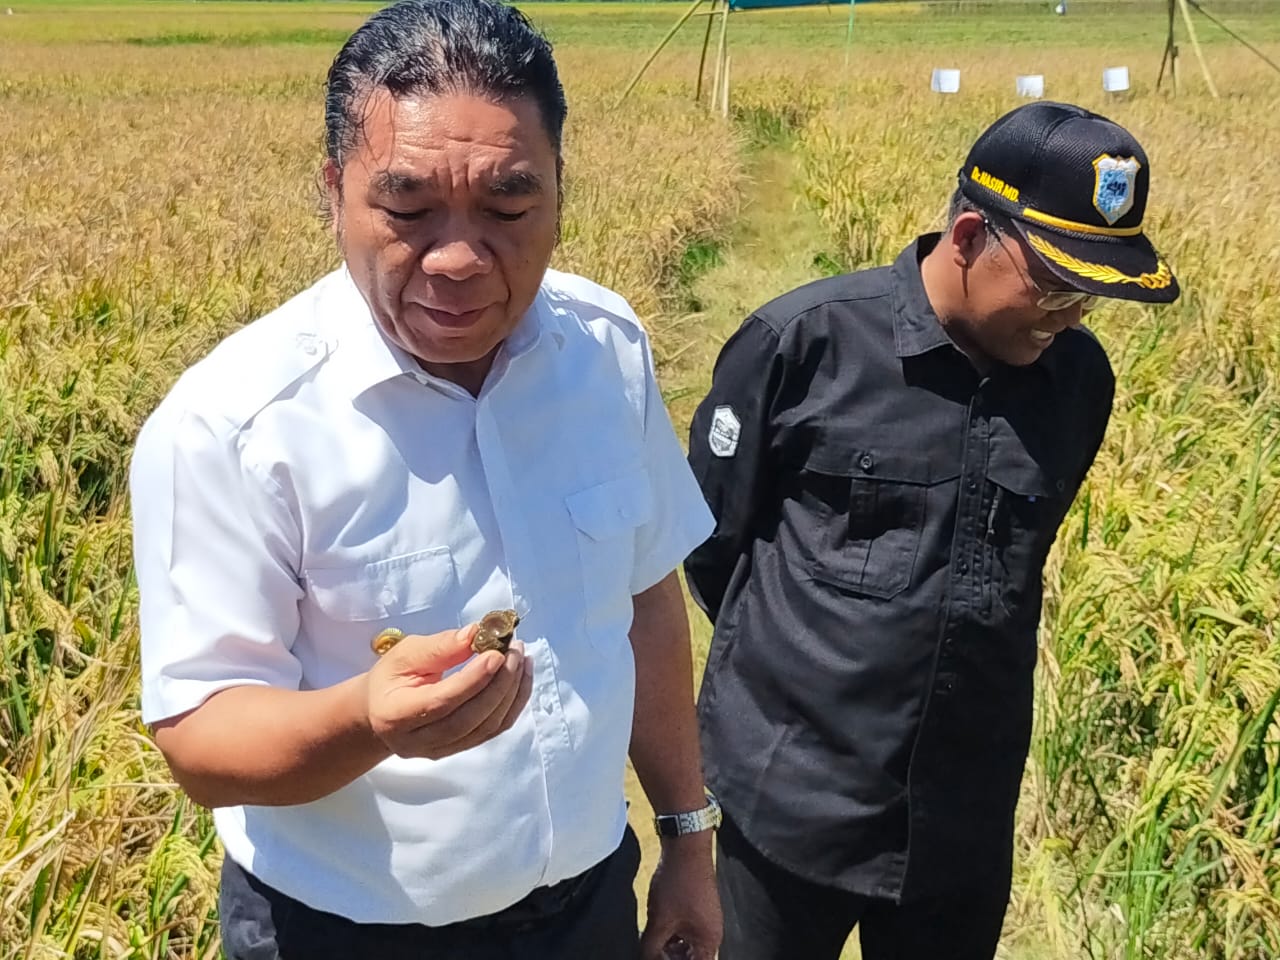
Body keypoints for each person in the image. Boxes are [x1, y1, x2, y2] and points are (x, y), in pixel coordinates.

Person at [129, 1, 722, 957]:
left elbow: (645, 598)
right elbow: (202, 735)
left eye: (508, 207)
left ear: (562, 189)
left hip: (587, 900)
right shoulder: (233, 426)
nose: (456, 258)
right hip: (345, 931)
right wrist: (369, 718)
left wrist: (687, 840)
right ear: (333, 192)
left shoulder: (606, 350)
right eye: (406, 210)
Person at [685, 101, 1179, 960]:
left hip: (962, 813)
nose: (1069, 316)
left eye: (1092, 297)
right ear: (965, 239)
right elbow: (713, 542)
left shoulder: (1076, 383)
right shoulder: (804, 345)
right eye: (1054, 284)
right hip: (790, 800)